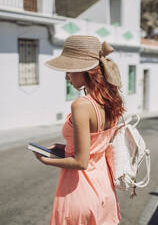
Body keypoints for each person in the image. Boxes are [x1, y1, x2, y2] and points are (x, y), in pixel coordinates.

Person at [33, 35, 125, 225]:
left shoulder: (81, 105)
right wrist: (66, 147)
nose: (67, 76)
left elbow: (81, 162)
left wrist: (46, 159)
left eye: (70, 70)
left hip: (80, 191)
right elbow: (94, 147)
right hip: (104, 189)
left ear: (86, 71)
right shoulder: (110, 102)